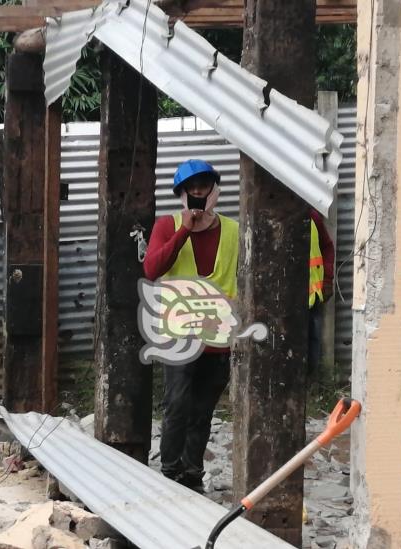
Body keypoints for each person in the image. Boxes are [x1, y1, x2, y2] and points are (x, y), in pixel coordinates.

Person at [143, 159, 238, 493]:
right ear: (181, 193)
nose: (198, 191)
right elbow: (152, 268)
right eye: (191, 187)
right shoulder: (167, 226)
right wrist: (186, 227)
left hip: (218, 336)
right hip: (178, 335)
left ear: (214, 189)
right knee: (177, 406)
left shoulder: (233, 230)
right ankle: (169, 472)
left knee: (202, 411)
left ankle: (192, 474)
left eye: (204, 185)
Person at [308, 209, 335, 383]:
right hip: (284, 303)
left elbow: (327, 247)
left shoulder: (312, 217)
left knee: (312, 346)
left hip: (312, 297)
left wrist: (327, 279)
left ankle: (308, 386)